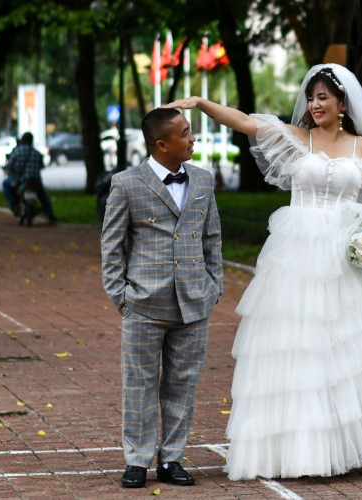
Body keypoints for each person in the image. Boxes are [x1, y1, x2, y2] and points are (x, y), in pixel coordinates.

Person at [164, 63, 362, 480]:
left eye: (323, 97)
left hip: (344, 258)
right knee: (298, 346)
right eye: (311, 97)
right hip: (297, 253)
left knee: (344, 349)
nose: (315, 104)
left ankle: (342, 442)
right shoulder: (295, 138)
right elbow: (246, 123)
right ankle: (296, 446)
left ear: (343, 103)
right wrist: (201, 104)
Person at [100, 107, 223, 488]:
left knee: (182, 384)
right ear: (161, 144)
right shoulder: (126, 183)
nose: (193, 138)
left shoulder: (202, 180)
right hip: (144, 303)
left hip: (194, 301)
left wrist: (213, 285)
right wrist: (121, 296)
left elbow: (212, 237)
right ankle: (136, 460)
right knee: (139, 383)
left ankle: (171, 459)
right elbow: (112, 244)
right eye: (186, 133)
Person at [2, 132, 56, 224]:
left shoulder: (17, 152)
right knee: (43, 196)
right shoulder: (36, 153)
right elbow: (41, 166)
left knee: (5, 184)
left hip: (19, 180)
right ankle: (50, 214)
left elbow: (10, 165)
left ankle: (13, 203)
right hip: (34, 181)